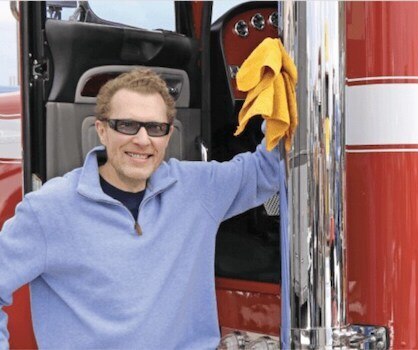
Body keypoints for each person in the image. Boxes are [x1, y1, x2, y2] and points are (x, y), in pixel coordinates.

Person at [0, 69, 282, 349]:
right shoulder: (48, 210)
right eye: (127, 125)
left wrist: (282, 97)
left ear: (168, 134)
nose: (143, 140)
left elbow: (267, 170)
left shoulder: (198, 189)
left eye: (155, 128)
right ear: (101, 130)